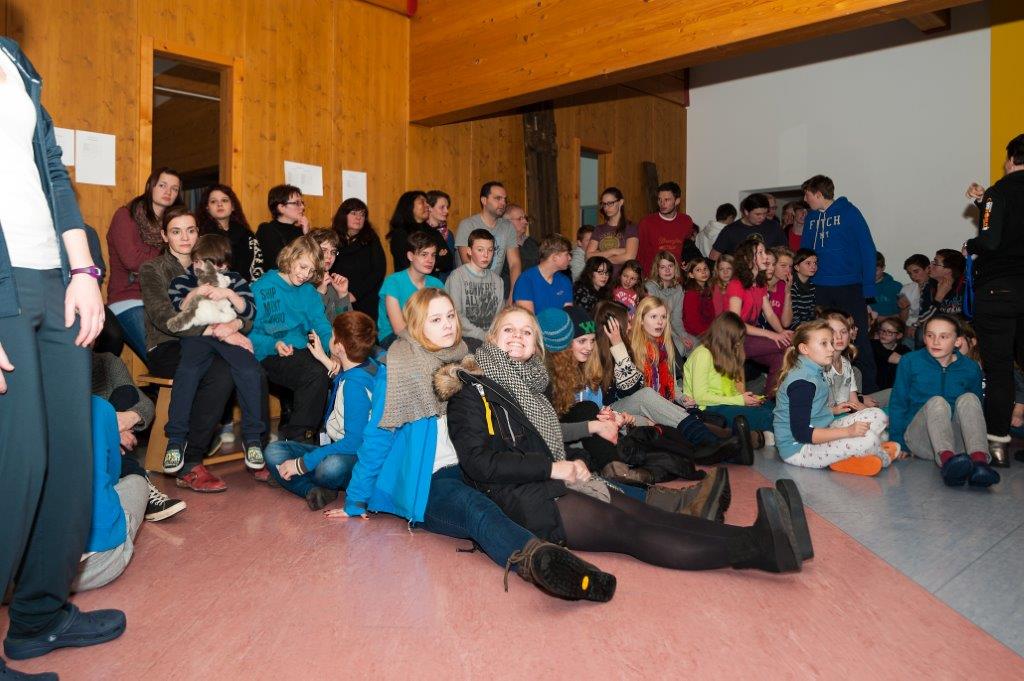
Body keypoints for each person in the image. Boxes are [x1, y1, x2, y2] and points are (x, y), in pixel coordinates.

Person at [444, 305, 810, 574]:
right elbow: (480, 463)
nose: (518, 337)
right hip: (522, 499)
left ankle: (761, 536)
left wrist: (568, 462)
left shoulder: (531, 385)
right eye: (509, 330)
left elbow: (543, 438)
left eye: (527, 332)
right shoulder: (471, 390)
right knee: (632, 530)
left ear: (536, 343)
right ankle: (760, 549)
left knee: (649, 515)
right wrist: (555, 468)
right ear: (492, 337)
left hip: (552, 482)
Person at [332, 288, 618, 602]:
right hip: (429, 479)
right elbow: (377, 438)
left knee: (518, 495)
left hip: (471, 465)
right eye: (435, 319)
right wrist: (355, 500)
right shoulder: (399, 371)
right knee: (476, 510)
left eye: (450, 316)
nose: (447, 325)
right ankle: (537, 561)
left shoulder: (468, 361)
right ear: (415, 325)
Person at [0, 38, 126, 677]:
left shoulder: (13, 57)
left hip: (54, 279)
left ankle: (38, 618)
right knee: (17, 465)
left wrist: (83, 269)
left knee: (71, 459)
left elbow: (52, 170)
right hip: (3, 285)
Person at [539, 306, 731, 518]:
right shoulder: (552, 373)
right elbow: (569, 416)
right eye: (582, 341)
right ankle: (638, 476)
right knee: (641, 421)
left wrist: (618, 347)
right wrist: (606, 418)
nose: (588, 347)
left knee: (645, 407)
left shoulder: (596, 360)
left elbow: (634, 386)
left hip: (605, 420)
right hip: (584, 433)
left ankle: (706, 443)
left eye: (592, 340)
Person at [141, 207, 244, 493]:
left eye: (190, 230)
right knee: (216, 371)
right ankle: (189, 462)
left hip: (210, 343)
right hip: (168, 344)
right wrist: (211, 329)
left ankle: (197, 454)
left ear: (199, 232)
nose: (185, 237)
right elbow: (164, 317)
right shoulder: (153, 269)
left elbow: (242, 304)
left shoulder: (213, 263)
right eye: (176, 231)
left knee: (234, 368)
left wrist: (236, 325)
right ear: (164, 236)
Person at [593, 301, 751, 463]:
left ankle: (729, 450)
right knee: (651, 400)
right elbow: (631, 388)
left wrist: (681, 398)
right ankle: (715, 442)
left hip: (636, 411)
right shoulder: (612, 350)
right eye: (627, 321)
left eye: (663, 317)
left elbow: (667, 386)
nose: (630, 325)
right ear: (613, 327)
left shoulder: (661, 347)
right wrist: (618, 345)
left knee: (671, 421)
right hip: (613, 411)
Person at [163, 233, 265, 473]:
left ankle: (253, 438)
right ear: (194, 261)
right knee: (187, 372)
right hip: (198, 337)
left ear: (225, 265)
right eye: (200, 263)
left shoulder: (234, 280)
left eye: (217, 266)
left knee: (250, 370)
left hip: (228, 335)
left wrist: (228, 294)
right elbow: (179, 309)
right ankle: (176, 439)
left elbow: (249, 311)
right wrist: (197, 291)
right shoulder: (182, 281)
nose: (208, 270)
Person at [264, 311, 380, 510]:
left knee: (330, 468)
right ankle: (316, 490)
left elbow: (353, 443)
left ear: (339, 347)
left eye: (332, 335)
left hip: (355, 455)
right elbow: (345, 378)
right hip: (339, 448)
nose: (329, 338)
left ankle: (302, 479)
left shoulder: (355, 387)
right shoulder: (366, 366)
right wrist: (322, 358)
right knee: (273, 451)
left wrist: (301, 464)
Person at [965, 133, 1024, 466]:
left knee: (999, 369)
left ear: (1011, 159)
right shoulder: (992, 196)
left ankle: (998, 445)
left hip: (1000, 290)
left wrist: (970, 246)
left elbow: (990, 240)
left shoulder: (998, 192)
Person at [888, 314, 999, 487]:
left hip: (959, 443)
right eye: (930, 335)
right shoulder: (910, 361)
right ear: (924, 338)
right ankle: (948, 464)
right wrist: (898, 442)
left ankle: (980, 463)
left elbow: (976, 411)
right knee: (937, 402)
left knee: (970, 399)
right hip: (921, 439)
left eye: (944, 336)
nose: (935, 342)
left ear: (958, 341)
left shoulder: (971, 368)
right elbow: (898, 403)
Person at [773, 320, 895, 476]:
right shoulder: (802, 383)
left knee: (878, 415)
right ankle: (865, 454)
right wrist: (848, 432)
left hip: (821, 429)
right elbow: (802, 434)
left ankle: (848, 455)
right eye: (824, 344)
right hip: (799, 448)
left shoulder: (813, 369)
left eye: (830, 343)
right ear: (804, 348)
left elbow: (811, 411)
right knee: (869, 439)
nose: (831, 348)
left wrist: (833, 411)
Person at [250, 236, 333, 444]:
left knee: (332, 369)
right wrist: (273, 344)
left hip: (300, 351)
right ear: (290, 257)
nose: (305, 275)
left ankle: (305, 437)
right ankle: (299, 439)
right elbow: (249, 333)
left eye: (311, 271)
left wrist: (335, 350)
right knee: (316, 373)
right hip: (268, 353)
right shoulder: (261, 288)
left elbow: (322, 326)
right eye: (303, 267)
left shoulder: (308, 292)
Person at [800, 174, 879, 393]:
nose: (805, 200)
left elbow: (867, 249)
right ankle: (821, 389)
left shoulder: (850, 212)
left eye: (807, 195)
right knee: (819, 338)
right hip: (819, 287)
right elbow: (804, 252)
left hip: (849, 286)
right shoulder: (811, 218)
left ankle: (869, 391)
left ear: (818, 194)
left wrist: (868, 288)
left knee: (857, 336)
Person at [90, 351, 185, 521]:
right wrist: (106, 429)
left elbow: (145, 404)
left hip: (110, 446)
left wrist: (126, 420)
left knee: (127, 392)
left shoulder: (108, 361)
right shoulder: (55, 364)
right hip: (77, 440)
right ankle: (142, 488)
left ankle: (134, 486)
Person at [106, 166, 183, 363]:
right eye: (163, 185)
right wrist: (168, 257)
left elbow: (184, 263)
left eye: (174, 188)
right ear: (150, 186)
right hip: (129, 299)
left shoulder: (175, 223)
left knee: (193, 353)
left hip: (166, 301)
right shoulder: (126, 215)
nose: (168, 191)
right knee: (165, 359)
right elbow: (132, 261)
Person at [73, 397, 149, 593]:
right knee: (136, 482)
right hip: (90, 566)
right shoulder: (97, 406)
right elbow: (112, 477)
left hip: (10, 579)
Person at [683, 312, 774, 446]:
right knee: (767, 416)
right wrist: (740, 400)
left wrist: (747, 399)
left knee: (772, 407)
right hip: (707, 409)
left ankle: (763, 435)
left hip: (725, 404)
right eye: (736, 340)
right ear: (724, 338)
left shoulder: (726, 354)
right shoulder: (703, 354)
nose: (739, 344)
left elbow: (729, 391)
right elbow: (700, 397)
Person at [728, 238, 790, 397]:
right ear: (748, 259)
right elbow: (736, 323)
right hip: (734, 339)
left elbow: (770, 314)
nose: (765, 257)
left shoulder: (760, 284)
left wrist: (781, 332)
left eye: (764, 252)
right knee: (787, 346)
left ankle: (770, 400)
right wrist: (773, 335)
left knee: (780, 358)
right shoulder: (736, 284)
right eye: (760, 253)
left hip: (749, 336)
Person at [376, 230, 444, 346]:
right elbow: (399, 329)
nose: (430, 260)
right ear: (410, 256)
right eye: (424, 254)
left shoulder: (437, 284)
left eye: (433, 255)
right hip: (393, 337)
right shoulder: (393, 282)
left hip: (428, 334)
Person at [455, 181, 521, 297]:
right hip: (468, 290)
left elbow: (514, 264)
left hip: (494, 291)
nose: (503, 203)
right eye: (498, 198)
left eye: (505, 199)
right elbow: (468, 262)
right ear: (484, 200)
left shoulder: (508, 227)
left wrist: (513, 294)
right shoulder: (467, 225)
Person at [330, 197, 386, 322]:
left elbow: (379, 270)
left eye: (362, 214)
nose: (359, 218)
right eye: (354, 213)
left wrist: (355, 294)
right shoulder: (332, 237)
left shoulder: (371, 238)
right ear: (343, 216)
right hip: (335, 296)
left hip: (365, 298)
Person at [445, 228, 504, 341]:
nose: (486, 255)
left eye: (490, 250)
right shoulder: (457, 277)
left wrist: (493, 335)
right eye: (480, 250)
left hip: (491, 337)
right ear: (469, 251)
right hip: (463, 338)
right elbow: (456, 315)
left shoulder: (498, 281)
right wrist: (483, 336)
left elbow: (500, 316)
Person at [198, 183, 263, 281]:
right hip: (212, 287)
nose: (219, 204)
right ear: (207, 208)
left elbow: (257, 270)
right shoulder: (200, 237)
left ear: (233, 206)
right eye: (213, 201)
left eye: (224, 200)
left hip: (247, 288)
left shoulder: (248, 235)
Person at [820, 309, 877, 411]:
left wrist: (872, 413)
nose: (839, 336)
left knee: (879, 415)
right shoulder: (819, 365)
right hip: (825, 418)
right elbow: (811, 410)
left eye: (843, 332)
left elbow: (855, 403)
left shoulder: (846, 363)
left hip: (844, 414)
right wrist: (835, 411)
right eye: (832, 332)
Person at [388, 190, 453, 279]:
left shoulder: (433, 231)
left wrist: (424, 261)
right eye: (422, 202)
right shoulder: (400, 233)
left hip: (431, 283)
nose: (427, 205)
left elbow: (448, 262)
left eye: (427, 202)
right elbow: (406, 264)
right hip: (407, 283)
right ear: (409, 206)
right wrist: (437, 258)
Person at [636, 181, 695, 271]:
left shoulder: (686, 221)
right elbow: (639, 254)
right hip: (653, 276)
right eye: (659, 199)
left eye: (667, 200)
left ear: (677, 201)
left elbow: (688, 248)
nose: (662, 203)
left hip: (677, 276)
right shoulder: (646, 223)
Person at [709, 194, 785, 259]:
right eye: (758, 214)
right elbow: (713, 257)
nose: (762, 217)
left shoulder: (774, 226)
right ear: (746, 212)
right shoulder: (730, 230)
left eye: (764, 213)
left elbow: (784, 253)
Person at [513, 234, 573, 314]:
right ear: (555, 257)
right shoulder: (526, 280)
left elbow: (567, 316)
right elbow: (528, 318)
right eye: (567, 254)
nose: (570, 258)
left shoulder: (565, 281)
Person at [585, 187, 638, 278]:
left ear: (620, 202)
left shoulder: (631, 228)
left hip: (621, 279)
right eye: (604, 204)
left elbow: (629, 257)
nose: (606, 207)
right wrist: (613, 251)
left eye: (610, 203)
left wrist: (600, 257)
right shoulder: (599, 229)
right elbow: (588, 257)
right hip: (601, 279)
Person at [255, 184, 309, 272]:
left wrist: (306, 233)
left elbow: (312, 260)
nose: (302, 207)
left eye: (302, 203)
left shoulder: (301, 231)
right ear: (281, 208)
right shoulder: (266, 230)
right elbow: (279, 263)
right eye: (297, 203)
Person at [646, 251, 687, 356]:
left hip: (670, 329)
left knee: (695, 345)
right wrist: (676, 337)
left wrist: (683, 336)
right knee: (679, 348)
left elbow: (676, 318)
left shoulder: (678, 289)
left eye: (670, 266)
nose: (667, 270)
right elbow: (653, 320)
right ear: (657, 269)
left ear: (675, 268)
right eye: (663, 267)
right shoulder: (650, 287)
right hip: (653, 329)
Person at [308, 228, 352, 322]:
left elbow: (346, 325)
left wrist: (343, 294)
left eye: (333, 252)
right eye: (323, 250)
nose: (329, 256)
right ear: (309, 251)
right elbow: (307, 324)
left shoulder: (332, 284)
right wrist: (320, 294)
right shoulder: (299, 282)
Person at [917, 249, 967, 331]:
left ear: (949, 269)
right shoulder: (929, 285)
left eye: (935, 263)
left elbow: (971, 319)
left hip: (961, 331)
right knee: (920, 332)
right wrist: (938, 298)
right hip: (937, 330)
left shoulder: (966, 287)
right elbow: (923, 320)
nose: (930, 266)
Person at [680, 255, 714, 350]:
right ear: (691, 275)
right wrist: (710, 335)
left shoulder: (709, 290)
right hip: (695, 333)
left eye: (705, 269)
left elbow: (712, 315)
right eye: (698, 270)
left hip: (709, 330)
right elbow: (693, 323)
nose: (703, 272)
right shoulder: (691, 294)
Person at [871, 317, 910, 392]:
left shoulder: (904, 350)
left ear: (899, 335)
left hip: (896, 389)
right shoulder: (873, 345)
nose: (884, 334)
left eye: (889, 332)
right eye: (882, 330)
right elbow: (888, 356)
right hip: (875, 390)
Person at [898, 254, 929, 346]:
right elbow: (903, 320)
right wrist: (904, 308)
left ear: (927, 269)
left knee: (920, 334)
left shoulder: (936, 287)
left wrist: (916, 326)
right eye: (910, 273)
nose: (913, 276)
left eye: (916, 271)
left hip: (928, 328)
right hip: (909, 328)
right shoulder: (907, 289)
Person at [426, 189, 456, 282]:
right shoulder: (421, 233)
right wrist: (439, 258)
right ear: (429, 208)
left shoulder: (448, 234)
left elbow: (450, 265)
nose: (446, 211)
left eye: (447, 207)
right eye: (442, 207)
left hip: (444, 283)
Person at [763, 247, 793, 330]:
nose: (788, 270)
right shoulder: (759, 285)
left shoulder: (783, 286)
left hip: (776, 331)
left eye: (790, 266)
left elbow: (786, 323)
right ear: (772, 265)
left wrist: (787, 293)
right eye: (783, 265)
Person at [506, 204, 539, 273]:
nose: (526, 222)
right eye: (520, 219)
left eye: (525, 218)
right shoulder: (500, 245)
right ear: (506, 222)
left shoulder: (533, 243)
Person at [790, 249, 818, 329]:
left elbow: (811, 312)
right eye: (808, 263)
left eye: (815, 263)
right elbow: (793, 318)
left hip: (806, 325)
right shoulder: (792, 286)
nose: (813, 266)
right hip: (794, 327)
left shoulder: (812, 286)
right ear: (797, 267)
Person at [870, 251, 902, 320]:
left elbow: (904, 312)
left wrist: (882, 319)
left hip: (889, 324)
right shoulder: (858, 287)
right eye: (868, 270)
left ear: (883, 268)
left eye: (875, 270)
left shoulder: (897, 287)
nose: (871, 273)